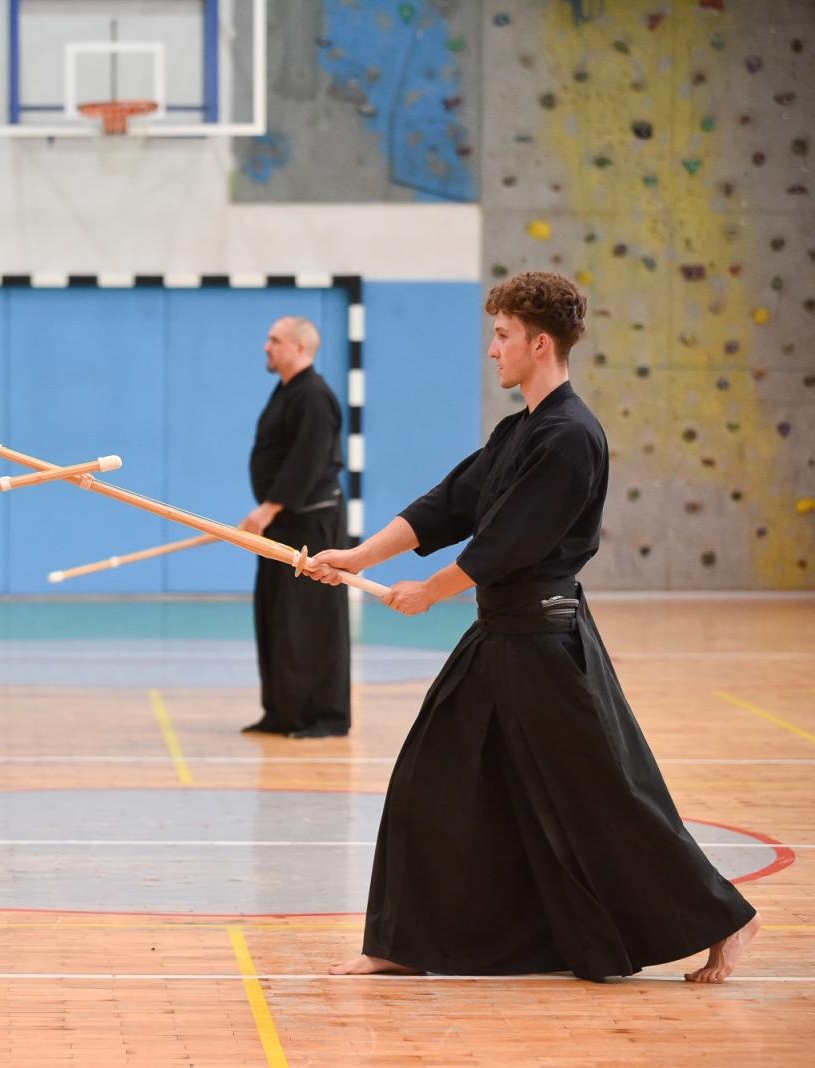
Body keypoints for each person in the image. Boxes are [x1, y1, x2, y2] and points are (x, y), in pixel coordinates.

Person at [307, 272, 758, 983]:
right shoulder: (521, 431)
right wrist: (358, 556)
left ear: (538, 343)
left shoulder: (572, 438)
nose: (493, 350)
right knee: (431, 782)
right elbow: (448, 505)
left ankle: (727, 919)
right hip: (499, 639)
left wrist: (430, 591)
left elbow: (504, 547)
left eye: (503, 335)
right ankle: (402, 943)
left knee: (606, 798)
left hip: (546, 645)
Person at [237, 316, 351, 737]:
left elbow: (307, 459)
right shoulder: (287, 392)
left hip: (311, 526)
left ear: (300, 348)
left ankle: (324, 716)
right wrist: (268, 514)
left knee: (311, 620)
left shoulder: (315, 396)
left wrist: (267, 510)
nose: (266, 346)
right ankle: (283, 711)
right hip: (283, 523)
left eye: (275, 340)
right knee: (276, 616)